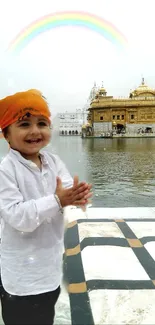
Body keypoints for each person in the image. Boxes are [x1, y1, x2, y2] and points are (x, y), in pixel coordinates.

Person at [0, 89, 92, 325]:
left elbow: (67, 190)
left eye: (42, 123)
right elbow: (18, 217)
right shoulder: (5, 170)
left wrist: (77, 196)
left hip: (49, 269)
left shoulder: (52, 161)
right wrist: (58, 200)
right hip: (20, 277)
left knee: (44, 317)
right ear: (6, 134)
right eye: (23, 124)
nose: (35, 131)